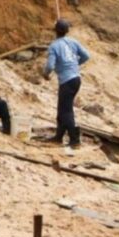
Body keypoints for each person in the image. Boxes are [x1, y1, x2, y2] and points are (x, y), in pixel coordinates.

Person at [43, 19, 90, 153]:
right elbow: (86, 56)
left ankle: (75, 140)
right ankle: (58, 136)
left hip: (66, 81)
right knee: (62, 108)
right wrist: (75, 64)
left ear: (55, 31)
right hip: (76, 78)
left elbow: (50, 66)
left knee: (66, 111)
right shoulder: (73, 41)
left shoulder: (54, 46)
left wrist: (45, 74)